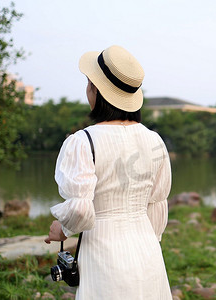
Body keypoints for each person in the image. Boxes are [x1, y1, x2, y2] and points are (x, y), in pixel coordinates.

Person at [44, 45, 172, 299]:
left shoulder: (83, 141)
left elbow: (80, 209)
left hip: (103, 250)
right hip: (146, 248)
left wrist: (63, 228)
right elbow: (157, 201)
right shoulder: (155, 140)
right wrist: (150, 238)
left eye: (89, 83)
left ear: (96, 90)